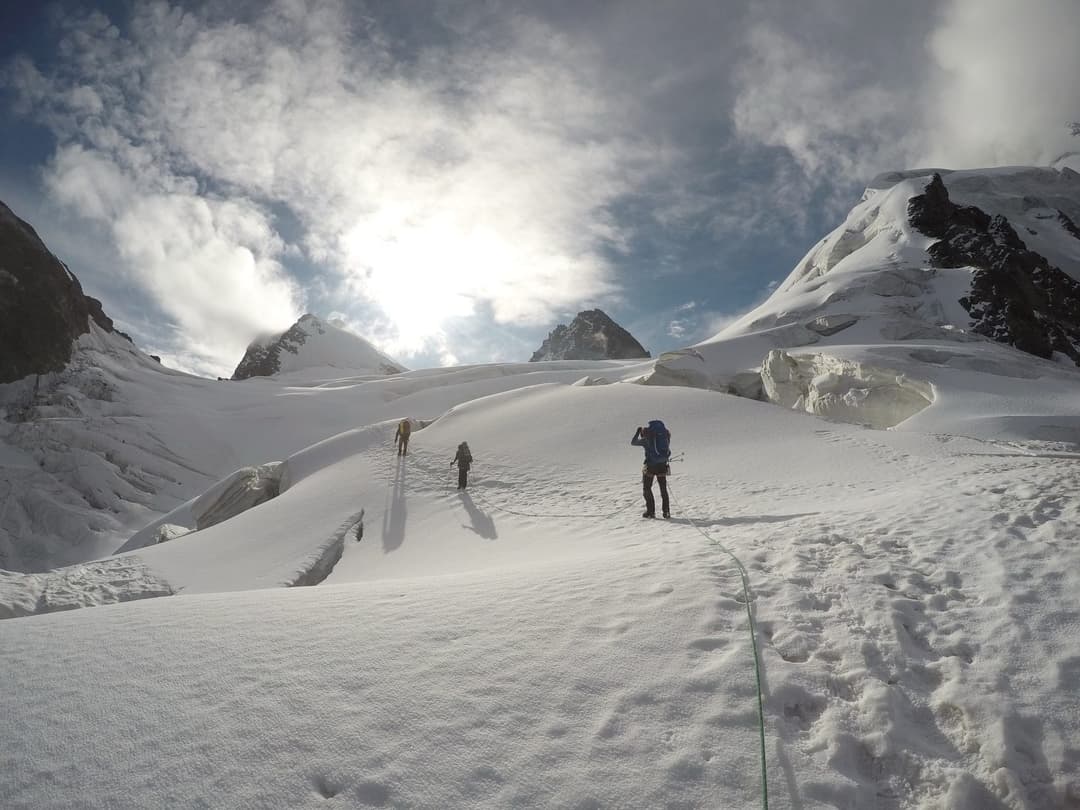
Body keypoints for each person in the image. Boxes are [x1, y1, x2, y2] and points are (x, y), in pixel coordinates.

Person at [631, 420, 671, 519]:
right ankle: (666, 512)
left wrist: (638, 431)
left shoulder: (646, 440)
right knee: (663, 489)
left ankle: (650, 512)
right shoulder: (665, 436)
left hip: (650, 467)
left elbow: (633, 442)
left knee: (647, 489)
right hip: (662, 466)